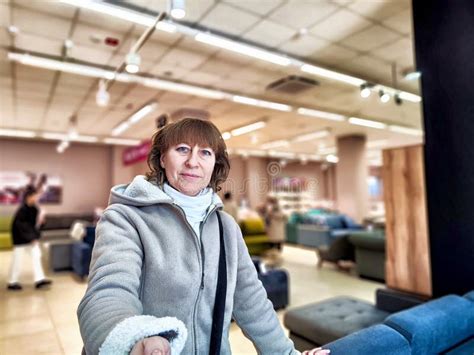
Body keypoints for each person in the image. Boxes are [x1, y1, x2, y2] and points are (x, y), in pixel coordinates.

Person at [77, 118, 328, 355]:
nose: (193, 162)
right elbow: (108, 292)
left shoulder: (226, 227)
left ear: (214, 164)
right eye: (183, 149)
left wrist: (287, 353)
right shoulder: (125, 218)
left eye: (205, 153)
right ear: (162, 158)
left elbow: (252, 302)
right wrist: (134, 340)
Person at [7, 185, 52, 290]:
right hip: (20, 239)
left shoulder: (34, 208)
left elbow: (35, 224)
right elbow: (21, 226)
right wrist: (32, 237)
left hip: (29, 237)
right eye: (35, 196)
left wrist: (41, 222)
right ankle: (12, 283)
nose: (37, 198)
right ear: (29, 197)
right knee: (17, 260)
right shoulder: (22, 210)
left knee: (37, 256)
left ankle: (39, 280)